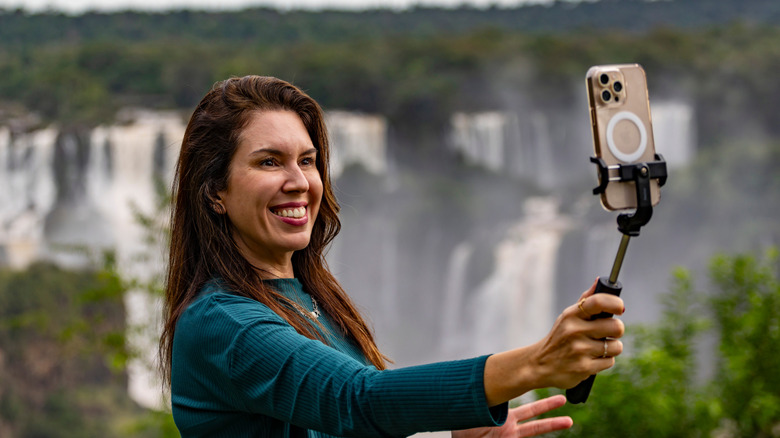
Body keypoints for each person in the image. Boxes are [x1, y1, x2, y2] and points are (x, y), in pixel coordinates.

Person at [159, 75, 625, 437]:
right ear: (215, 190)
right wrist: (537, 363)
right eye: (268, 161)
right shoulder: (223, 323)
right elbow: (357, 400)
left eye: (307, 159)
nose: (300, 181)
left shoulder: (305, 294)